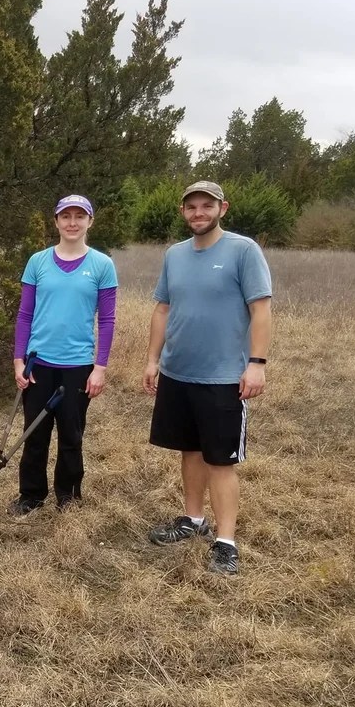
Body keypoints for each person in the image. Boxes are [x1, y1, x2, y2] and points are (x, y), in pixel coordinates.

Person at [142, 180, 273, 575]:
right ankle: (193, 519)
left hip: (223, 378)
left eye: (206, 206)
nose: (199, 213)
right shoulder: (175, 255)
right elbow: (163, 309)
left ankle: (226, 541)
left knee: (221, 460)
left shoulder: (243, 250)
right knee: (190, 450)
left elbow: (261, 309)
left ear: (222, 208)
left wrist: (257, 363)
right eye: (191, 207)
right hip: (179, 372)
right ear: (183, 212)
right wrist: (152, 360)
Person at [10, 195, 118, 516]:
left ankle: (68, 496)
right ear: (56, 222)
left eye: (79, 216)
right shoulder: (38, 262)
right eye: (66, 216)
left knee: (71, 434)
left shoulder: (102, 265)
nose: (72, 222)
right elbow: (25, 315)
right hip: (38, 364)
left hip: (78, 367)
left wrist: (99, 368)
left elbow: (108, 320)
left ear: (89, 222)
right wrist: (19, 359)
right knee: (35, 433)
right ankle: (31, 495)